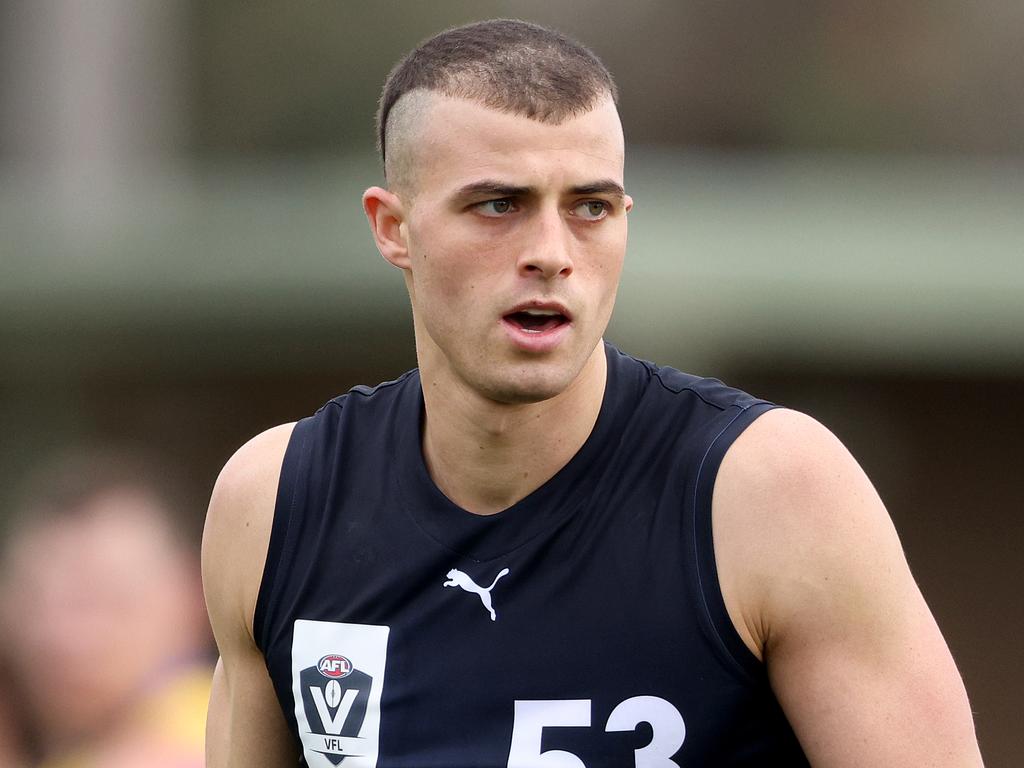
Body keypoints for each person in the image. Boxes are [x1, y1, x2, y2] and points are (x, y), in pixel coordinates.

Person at [202, 19, 983, 767]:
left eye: (590, 208)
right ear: (393, 228)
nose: (551, 253)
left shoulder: (771, 492)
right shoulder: (274, 505)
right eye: (499, 205)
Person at [0, 449, 212, 768]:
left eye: (101, 603)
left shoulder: (210, 731)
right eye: (36, 603)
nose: (62, 638)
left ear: (193, 593)